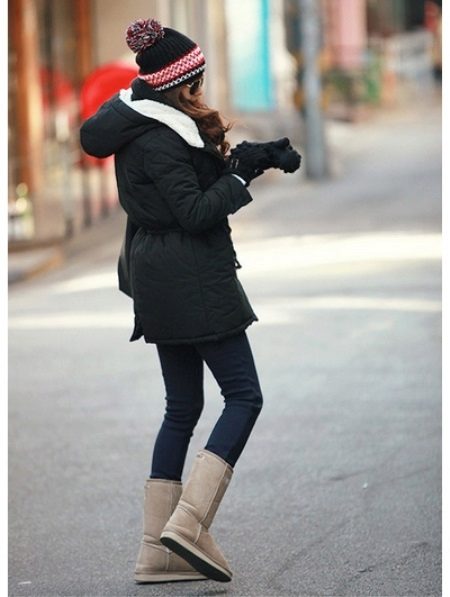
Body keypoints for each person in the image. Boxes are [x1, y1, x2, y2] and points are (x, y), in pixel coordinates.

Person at [80, 18, 297, 584]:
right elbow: (195, 212)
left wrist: (249, 160)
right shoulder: (158, 137)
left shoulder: (147, 123)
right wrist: (239, 178)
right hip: (190, 278)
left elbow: (188, 193)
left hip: (162, 277)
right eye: (196, 79)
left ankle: (156, 553)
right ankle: (189, 523)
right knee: (244, 396)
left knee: (182, 407)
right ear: (180, 83)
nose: (201, 88)